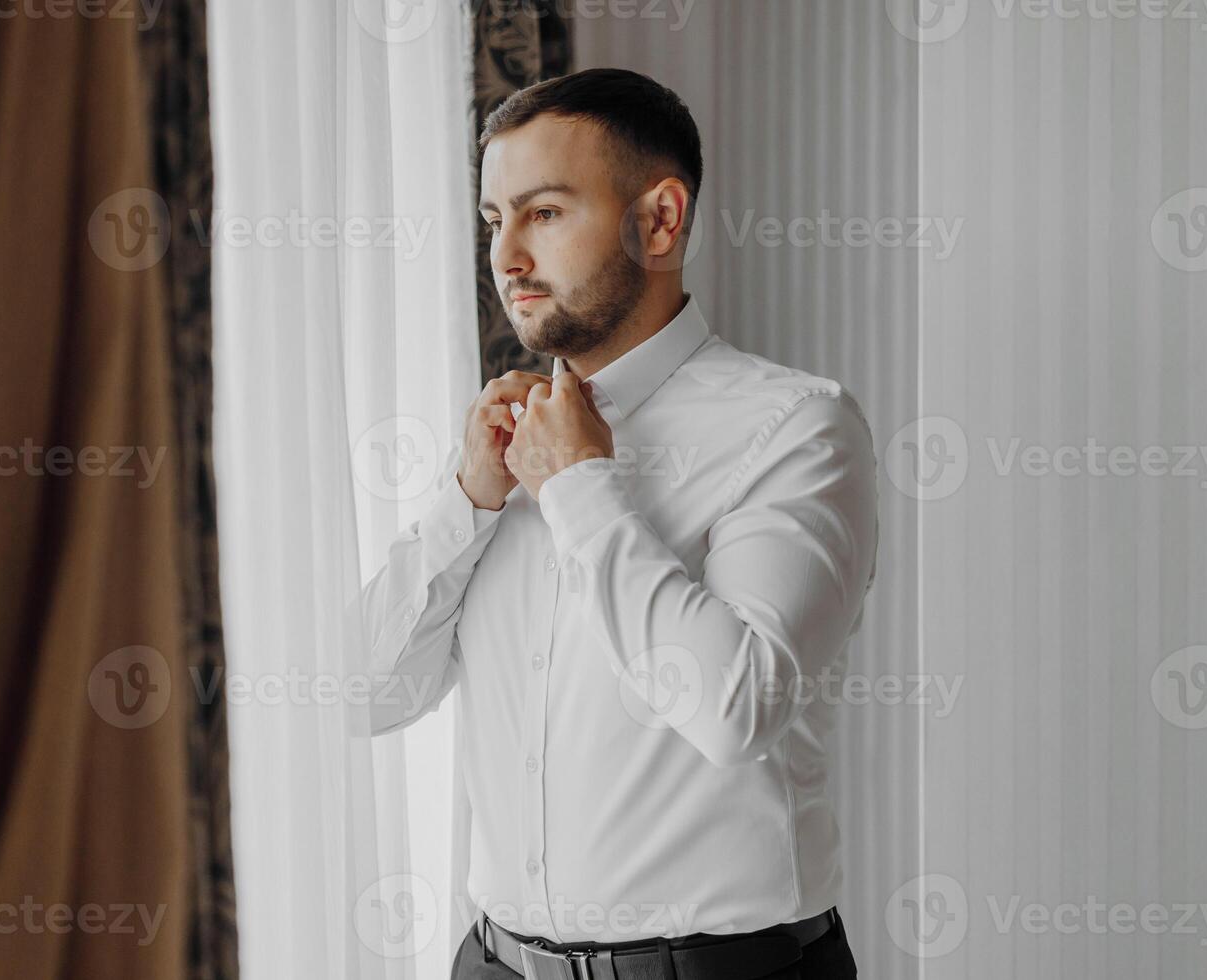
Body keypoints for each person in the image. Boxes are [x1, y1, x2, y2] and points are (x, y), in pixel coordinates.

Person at [359, 67, 877, 980]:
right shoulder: (505, 447)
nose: (507, 258)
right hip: (492, 965)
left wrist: (582, 488)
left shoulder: (797, 427)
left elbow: (735, 707)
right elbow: (365, 696)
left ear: (660, 220)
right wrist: (469, 501)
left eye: (544, 213)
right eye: (493, 221)